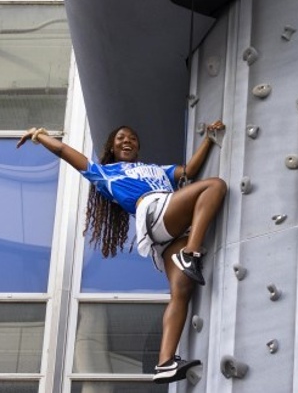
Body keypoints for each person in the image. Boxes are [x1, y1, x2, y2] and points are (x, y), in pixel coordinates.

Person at [17, 121, 228, 384]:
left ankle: (165, 363)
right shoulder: (104, 173)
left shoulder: (156, 169)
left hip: (164, 235)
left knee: (181, 292)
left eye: (132, 138)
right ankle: (191, 253)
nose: (127, 141)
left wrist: (209, 138)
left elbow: (190, 170)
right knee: (215, 186)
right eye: (120, 138)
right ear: (111, 147)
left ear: (138, 147)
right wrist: (39, 136)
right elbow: (64, 152)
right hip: (155, 211)